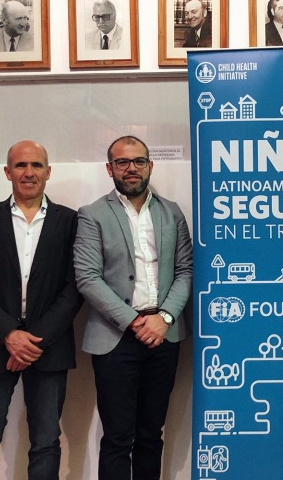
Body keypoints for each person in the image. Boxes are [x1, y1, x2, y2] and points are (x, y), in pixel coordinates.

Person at [74, 135, 193, 480]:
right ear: (109, 168)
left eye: (139, 161)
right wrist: (134, 321)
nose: (131, 168)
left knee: (151, 436)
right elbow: (87, 277)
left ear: (150, 165)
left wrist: (164, 317)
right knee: (117, 438)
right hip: (115, 339)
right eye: (122, 162)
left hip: (163, 336)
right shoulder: (92, 214)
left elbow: (186, 270)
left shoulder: (172, 212)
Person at [0, 140, 83, 480]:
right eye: (20, 165)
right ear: (7, 172)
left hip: (47, 348)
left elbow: (75, 287)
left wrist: (33, 340)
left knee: (46, 444)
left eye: (36, 165)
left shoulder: (71, 221)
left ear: (48, 172)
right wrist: (9, 334)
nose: (29, 172)